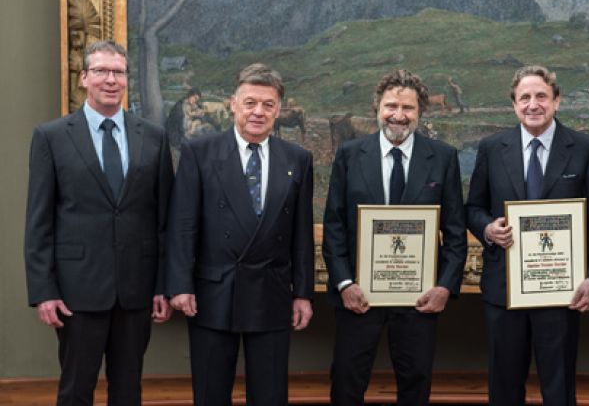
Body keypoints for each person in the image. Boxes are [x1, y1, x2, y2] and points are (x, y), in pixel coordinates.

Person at [24, 40, 174, 405]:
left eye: (119, 72)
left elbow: (164, 219)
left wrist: (163, 285)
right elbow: (39, 220)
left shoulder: (153, 138)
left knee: (128, 389)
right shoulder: (52, 136)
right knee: (76, 389)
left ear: (126, 79)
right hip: (77, 291)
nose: (111, 80)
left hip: (136, 290)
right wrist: (44, 290)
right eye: (101, 71)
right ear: (83, 78)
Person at [166, 63, 315, 405]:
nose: (258, 112)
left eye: (267, 104)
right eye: (250, 103)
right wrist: (180, 285)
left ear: (279, 109)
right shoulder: (199, 152)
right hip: (213, 292)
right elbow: (182, 225)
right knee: (211, 394)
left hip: (273, 293)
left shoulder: (298, 158)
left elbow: (301, 234)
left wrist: (302, 293)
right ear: (233, 103)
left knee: (270, 396)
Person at [322, 69, 467, 405]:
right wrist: (344, 284)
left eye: (408, 108)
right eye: (391, 106)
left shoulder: (443, 157)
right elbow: (334, 227)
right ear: (377, 108)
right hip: (359, 296)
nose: (398, 115)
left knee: (415, 385)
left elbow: (456, 232)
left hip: (420, 299)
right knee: (346, 383)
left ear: (420, 112)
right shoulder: (349, 155)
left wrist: (445, 286)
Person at [466, 65, 589, 405]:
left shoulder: (585, 148)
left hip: (561, 292)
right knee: (504, 389)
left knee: (559, 390)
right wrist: (487, 228)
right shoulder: (491, 148)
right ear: (514, 104)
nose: (533, 104)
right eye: (524, 97)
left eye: (541, 96)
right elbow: (472, 208)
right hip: (504, 291)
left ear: (556, 101)